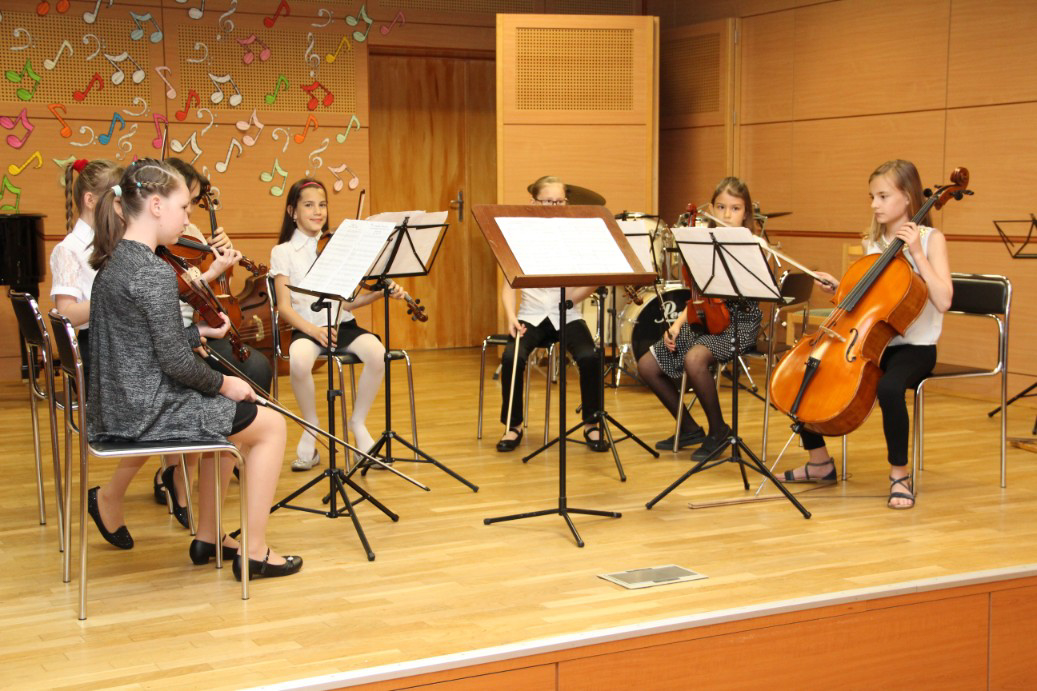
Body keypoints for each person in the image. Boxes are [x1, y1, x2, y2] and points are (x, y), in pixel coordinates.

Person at [86, 158, 301, 579]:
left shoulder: (115, 261)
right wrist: (224, 384)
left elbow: (142, 345)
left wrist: (196, 330)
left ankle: (209, 535)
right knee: (271, 427)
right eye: (184, 208)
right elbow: (174, 363)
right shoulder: (151, 271)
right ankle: (255, 552)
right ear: (156, 206)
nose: (188, 219)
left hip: (122, 406)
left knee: (231, 423)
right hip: (146, 413)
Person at [780, 159, 952, 510]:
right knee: (806, 371)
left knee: (890, 388)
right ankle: (819, 462)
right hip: (872, 342)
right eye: (872, 197)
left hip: (914, 347)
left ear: (908, 197)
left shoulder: (931, 240)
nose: (874, 204)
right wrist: (839, 289)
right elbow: (871, 303)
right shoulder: (873, 242)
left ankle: (899, 475)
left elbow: (944, 300)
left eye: (883, 196)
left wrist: (917, 253)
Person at [155, 158, 274, 525]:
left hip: (193, 328)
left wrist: (220, 255)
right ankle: (181, 470)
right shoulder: (150, 242)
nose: (189, 213)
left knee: (257, 366)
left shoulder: (188, 230)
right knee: (228, 378)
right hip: (177, 338)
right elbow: (178, 291)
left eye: (193, 202)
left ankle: (233, 448)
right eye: (185, 203)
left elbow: (212, 286)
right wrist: (208, 268)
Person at [269, 178, 408, 470]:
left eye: (322, 205)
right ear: (292, 211)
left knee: (377, 353)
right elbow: (284, 307)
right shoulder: (283, 252)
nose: (317, 211)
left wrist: (378, 294)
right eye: (309, 205)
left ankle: (358, 423)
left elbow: (346, 303)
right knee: (299, 362)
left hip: (341, 325)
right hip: (307, 327)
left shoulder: (337, 246)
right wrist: (314, 331)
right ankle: (311, 426)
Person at [636, 177, 763, 462]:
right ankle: (689, 428)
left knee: (694, 359)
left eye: (735, 208)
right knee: (647, 365)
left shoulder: (752, 245)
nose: (727, 215)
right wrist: (676, 325)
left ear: (746, 213)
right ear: (712, 208)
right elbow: (698, 294)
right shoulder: (701, 242)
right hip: (705, 318)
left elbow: (751, 292)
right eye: (721, 207)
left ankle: (719, 431)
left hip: (739, 322)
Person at [496, 175, 607, 453]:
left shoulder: (578, 237)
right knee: (511, 357)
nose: (555, 206)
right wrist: (511, 316)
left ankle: (592, 423)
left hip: (567, 314)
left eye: (560, 202)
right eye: (548, 201)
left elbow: (595, 279)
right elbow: (508, 284)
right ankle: (513, 425)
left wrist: (569, 299)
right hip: (531, 314)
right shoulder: (518, 237)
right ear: (533, 202)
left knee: (589, 356)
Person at [50, 158, 123, 371]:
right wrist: (114, 296)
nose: (124, 211)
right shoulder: (69, 249)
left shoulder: (116, 242)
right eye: (118, 203)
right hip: (96, 347)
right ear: (90, 200)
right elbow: (67, 314)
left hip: (120, 341)